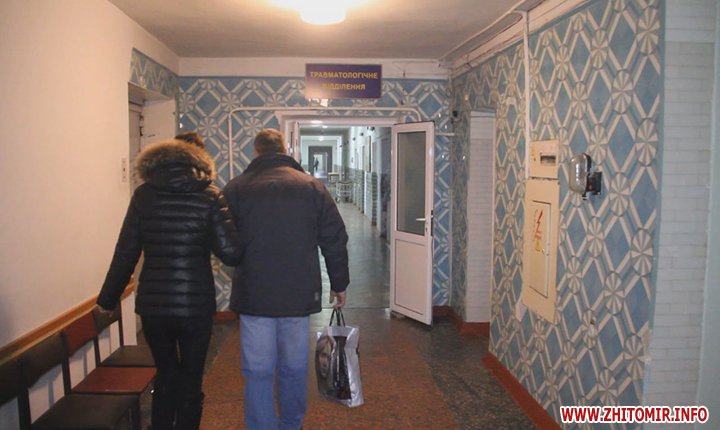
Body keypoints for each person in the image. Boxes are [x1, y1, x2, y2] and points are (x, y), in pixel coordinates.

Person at [96, 131, 242, 430]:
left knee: (165, 374)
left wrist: (106, 301)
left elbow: (125, 254)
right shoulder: (211, 195)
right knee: (191, 379)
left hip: (154, 306)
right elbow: (231, 254)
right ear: (200, 160)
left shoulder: (144, 196)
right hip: (195, 306)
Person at [223, 128, 349, 430]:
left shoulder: (236, 188)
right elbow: (334, 238)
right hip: (298, 293)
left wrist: (239, 262)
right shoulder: (311, 187)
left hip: (254, 294)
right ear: (285, 150)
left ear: (256, 151)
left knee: (257, 369)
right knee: (294, 366)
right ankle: (291, 424)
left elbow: (225, 242)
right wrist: (339, 283)